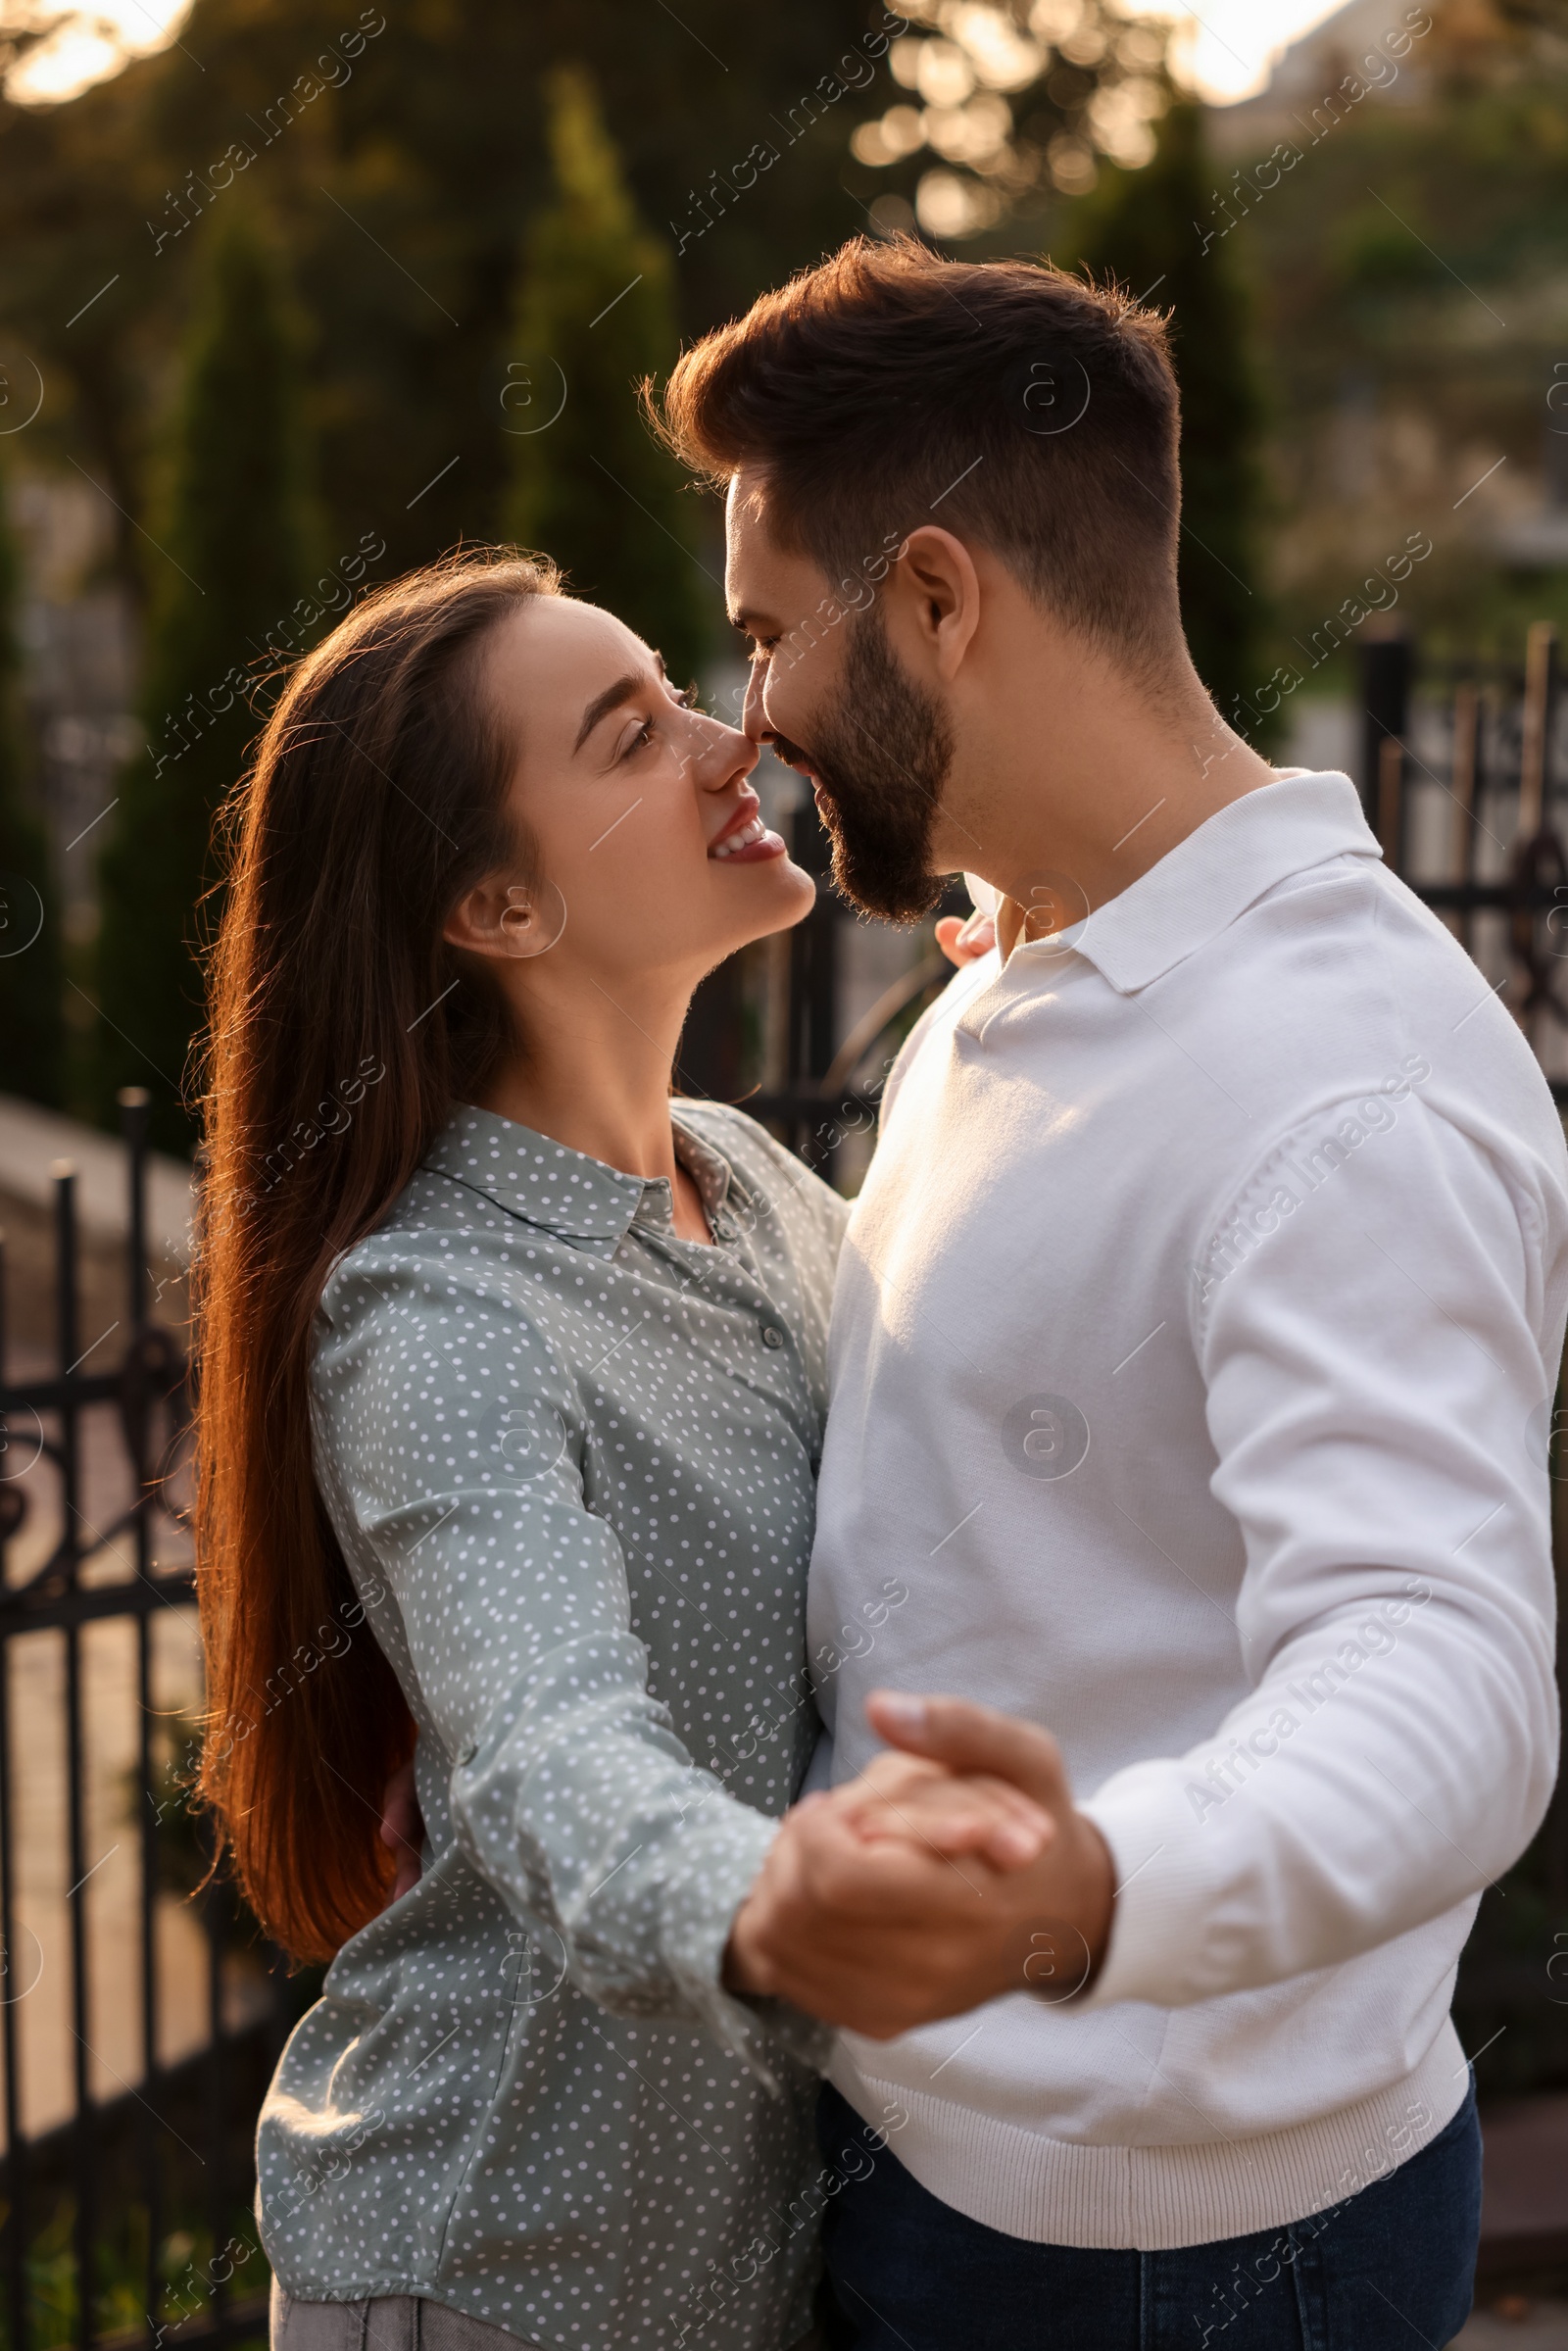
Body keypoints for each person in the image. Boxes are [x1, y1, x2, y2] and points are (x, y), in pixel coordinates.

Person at [656, 236, 1568, 2348]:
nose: (757, 715)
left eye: (772, 635)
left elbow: (1436, 1672)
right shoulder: (1036, 954)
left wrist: (1085, 1896)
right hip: (933, 2148)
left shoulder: (1341, 1094)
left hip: (1166, 2260)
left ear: (940, 599)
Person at [192, 550, 1057, 2351]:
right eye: (625, 736)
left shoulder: (741, 1187)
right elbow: (544, 1756)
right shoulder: (438, 1321)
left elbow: (980, 1373)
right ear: (500, 905)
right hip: (491, 2271)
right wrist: (778, 1909)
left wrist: (1051, 1001)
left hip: (732, 2275)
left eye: (683, 688)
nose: (731, 738)